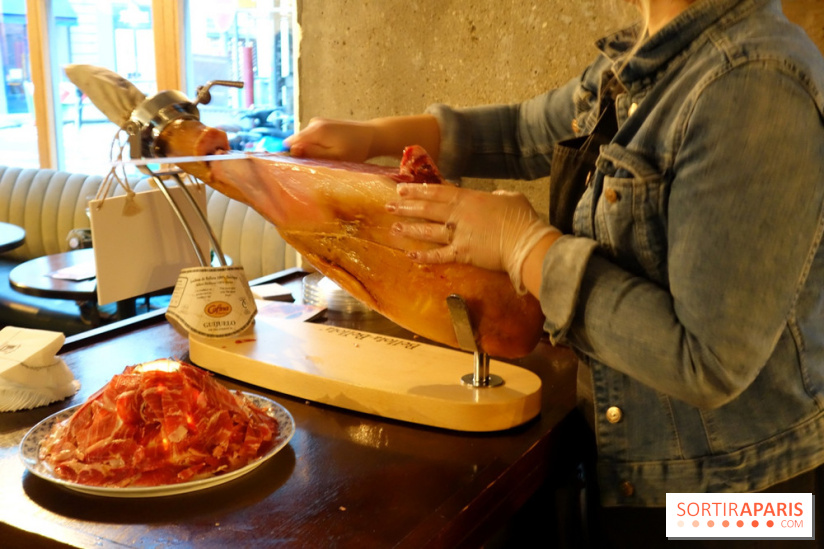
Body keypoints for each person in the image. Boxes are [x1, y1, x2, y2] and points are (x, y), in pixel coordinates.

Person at [285, 0, 824, 545]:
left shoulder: (753, 82)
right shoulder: (651, 58)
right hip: (634, 468)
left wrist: (524, 247)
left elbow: (708, 362)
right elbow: (524, 131)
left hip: (739, 500)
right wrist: (372, 136)